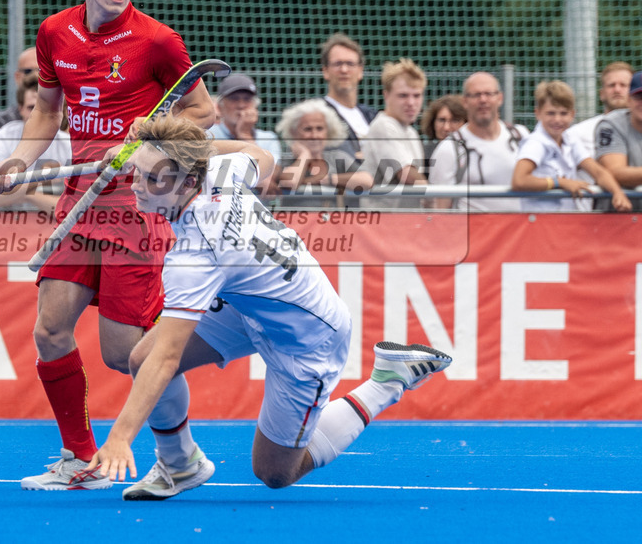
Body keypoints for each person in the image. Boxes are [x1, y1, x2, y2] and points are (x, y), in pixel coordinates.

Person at [89, 114, 452, 499]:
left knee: (275, 473)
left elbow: (167, 357)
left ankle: (388, 381)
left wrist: (120, 437)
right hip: (250, 304)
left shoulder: (196, 255)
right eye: (137, 171)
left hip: (307, 336)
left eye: (151, 177)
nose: (136, 185)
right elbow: (259, 153)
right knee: (140, 358)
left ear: (189, 182)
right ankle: (180, 464)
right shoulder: (221, 172)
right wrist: (151, 153)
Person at [0, 0, 216, 490]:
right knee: (50, 331)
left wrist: (149, 135)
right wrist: (20, 161)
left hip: (135, 207)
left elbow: (203, 111)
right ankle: (79, 458)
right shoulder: (54, 32)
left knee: (125, 354)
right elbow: (47, 110)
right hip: (79, 201)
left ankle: (183, 455)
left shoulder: (158, 42)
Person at [511, 80, 629, 213]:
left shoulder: (570, 140)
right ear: (538, 113)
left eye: (563, 113)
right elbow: (519, 181)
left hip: (565, 218)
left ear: (572, 114)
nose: (557, 120)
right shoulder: (536, 143)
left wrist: (617, 193)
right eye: (551, 113)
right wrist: (559, 182)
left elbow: (598, 172)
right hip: (539, 219)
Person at [428, 72, 529, 211]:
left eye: (489, 94)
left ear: (500, 98)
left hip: (521, 224)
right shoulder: (449, 149)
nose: (483, 100)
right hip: (473, 225)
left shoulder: (520, 136)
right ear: (465, 101)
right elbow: (441, 210)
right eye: (476, 95)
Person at [0, 73, 70, 212]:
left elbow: (72, 209)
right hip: (6, 220)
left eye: (46, 108)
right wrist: (40, 178)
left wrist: (28, 194)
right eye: (31, 107)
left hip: (53, 222)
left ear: (58, 110)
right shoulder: (1, 137)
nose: (37, 114)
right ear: (20, 108)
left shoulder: (68, 143)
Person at [357, 58, 427, 209]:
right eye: (403, 95)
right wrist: (434, 196)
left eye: (416, 95)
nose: (411, 103)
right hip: (382, 220)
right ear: (386, 95)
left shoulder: (411, 132)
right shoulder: (383, 126)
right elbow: (407, 175)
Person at [274, 99, 372, 203]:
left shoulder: (337, 157)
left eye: (320, 128)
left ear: (328, 132)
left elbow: (367, 181)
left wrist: (328, 179)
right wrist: (305, 155)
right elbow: (290, 182)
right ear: (294, 132)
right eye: (308, 129)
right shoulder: (287, 161)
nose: (314, 135)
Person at [206, 72, 282, 197]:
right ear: (219, 107)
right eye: (234, 99)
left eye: (247, 99)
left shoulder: (269, 138)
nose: (241, 105)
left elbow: (268, 182)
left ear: (255, 105)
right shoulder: (208, 134)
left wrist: (245, 134)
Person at [319, 33, 377, 161]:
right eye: (338, 64)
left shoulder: (372, 116)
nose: (344, 70)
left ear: (360, 71)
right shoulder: (318, 115)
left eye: (350, 64)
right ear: (325, 71)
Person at [595, 70, 642, 212]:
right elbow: (614, 172)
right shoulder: (611, 125)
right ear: (629, 100)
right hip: (617, 214)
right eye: (639, 97)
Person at [566, 61, 633, 159]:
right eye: (611, 85)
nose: (617, 90)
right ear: (602, 94)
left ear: (634, 92)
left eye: (623, 85)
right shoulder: (577, 134)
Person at [0, 46, 39, 139]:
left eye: (42, 71)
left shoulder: (62, 117)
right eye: (28, 71)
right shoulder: (1, 122)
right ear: (17, 77)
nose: (36, 75)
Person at [421, 94, 467, 162]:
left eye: (454, 120)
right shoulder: (422, 154)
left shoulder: (475, 154)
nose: (446, 128)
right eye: (441, 120)